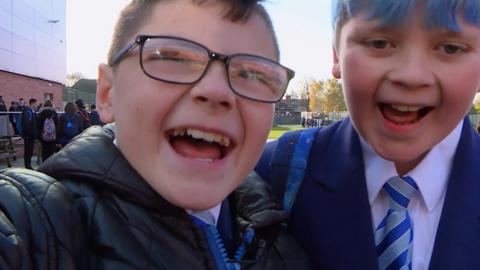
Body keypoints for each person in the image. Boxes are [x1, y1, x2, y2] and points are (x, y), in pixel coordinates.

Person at [0, 0, 309, 269]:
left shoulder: (281, 233)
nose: (217, 91)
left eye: (254, 74)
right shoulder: (31, 227)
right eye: (172, 58)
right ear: (107, 93)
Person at [254, 0, 480, 269]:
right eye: (379, 43)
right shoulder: (267, 176)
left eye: (450, 48)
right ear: (337, 56)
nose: (411, 76)